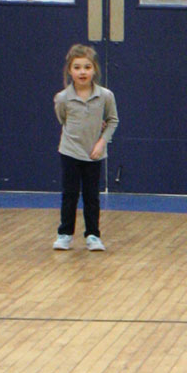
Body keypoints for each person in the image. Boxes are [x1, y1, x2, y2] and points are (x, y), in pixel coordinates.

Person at [52, 44, 119, 252]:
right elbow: (63, 119)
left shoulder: (105, 96)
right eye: (77, 67)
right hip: (70, 152)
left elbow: (113, 120)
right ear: (70, 70)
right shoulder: (63, 98)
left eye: (87, 67)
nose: (82, 72)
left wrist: (101, 142)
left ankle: (92, 235)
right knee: (70, 194)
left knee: (92, 196)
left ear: (94, 70)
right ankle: (65, 234)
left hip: (93, 154)